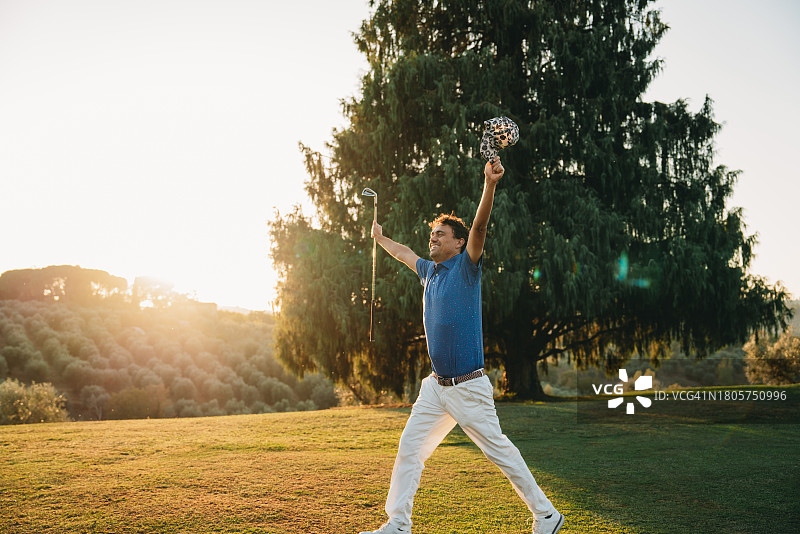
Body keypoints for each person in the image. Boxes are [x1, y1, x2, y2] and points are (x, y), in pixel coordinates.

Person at [359, 157, 564, 534]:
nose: (433, 239)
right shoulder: (429, 272)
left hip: (468, 387)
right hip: (436, 387)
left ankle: (546, 515)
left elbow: (480, 227)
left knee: (499, 451)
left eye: (440, 234)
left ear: (458, 242)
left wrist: (490, 184)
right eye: (432, 234)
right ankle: (398, 524)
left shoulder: (467, 267)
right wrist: (380, 238)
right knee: (410, 449)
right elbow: (404, 253)